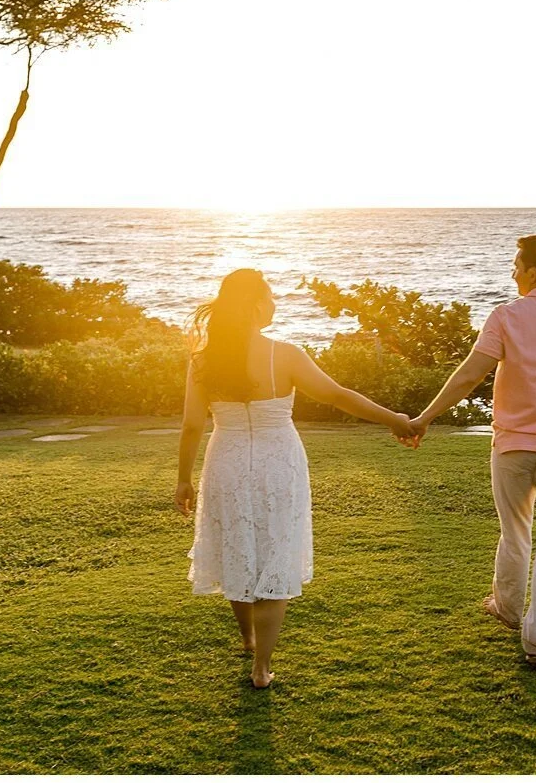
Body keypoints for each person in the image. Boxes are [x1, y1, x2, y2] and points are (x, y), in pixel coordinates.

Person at [176, 268, 417, 688]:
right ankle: (261, 667)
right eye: (270, 296)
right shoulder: (284, 355)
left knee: (237, 545)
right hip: (278, 463)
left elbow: (192, 425)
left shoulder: (203, 359)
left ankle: (248, 638)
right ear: (256, 305)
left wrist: (183, 478)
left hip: (226, 460)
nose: (274, 303)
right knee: (275, 551)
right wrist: (394, 418)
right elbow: (338, 395)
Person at [408, 234, 536, 668]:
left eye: (516, 267)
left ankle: (506, 607)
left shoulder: (506, 316)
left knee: (516, 531)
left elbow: (469, 376)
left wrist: (425, 417)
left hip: (514, 447)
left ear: (533, 273)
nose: (512, 273)